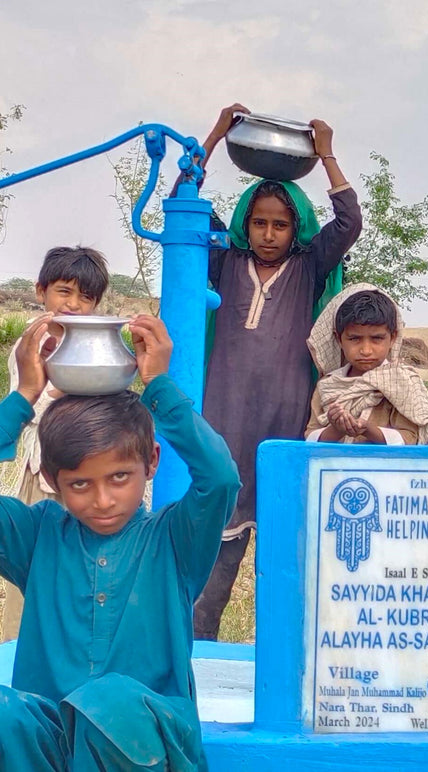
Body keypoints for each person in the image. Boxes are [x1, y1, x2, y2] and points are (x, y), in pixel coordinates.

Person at [0, 313, 241, 771]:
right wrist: (23, 397)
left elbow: (220, 478)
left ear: (150, 463)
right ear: (52, 480)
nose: (103, 500)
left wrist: (160, 388)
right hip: (52, 735)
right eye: (80, 485)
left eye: (119, 477)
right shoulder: (37, 536)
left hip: (146, 738)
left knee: (108, 701)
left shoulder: (174, 539)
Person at [192, 104, 363, 640]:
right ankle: (199, 655)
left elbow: (350, 221)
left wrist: (327, 153)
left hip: (286, 419)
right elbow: (183, 203)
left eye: (280, 224)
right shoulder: (223, 260)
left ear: (296, 229)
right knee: (214, 556)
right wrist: (217, 133)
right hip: (224, 421)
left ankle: (284, 661)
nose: (268, 233)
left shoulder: (310, 266)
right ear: (245, 223)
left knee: (288, 553)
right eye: (259, 222)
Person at [1, 246, 109, 643]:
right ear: (41, 291)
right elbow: (35, 401)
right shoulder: (33, 344)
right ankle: (18, 648)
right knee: (29, 567)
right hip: (40, 474)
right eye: (65, 291)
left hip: (85, 477)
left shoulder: (94, 344)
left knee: (82, 572)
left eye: (86, 297)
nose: (74, 305)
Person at [304, 284, 428, 445]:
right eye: (354, 339)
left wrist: (368, 430)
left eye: (377, 338)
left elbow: (410, 438)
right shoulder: (328, 385)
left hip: (384, 469)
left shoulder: (402, 383)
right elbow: (310, 437)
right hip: (333, 469)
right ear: (339, 339)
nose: (366, 350)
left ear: (393, 338)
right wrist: (336, 429)